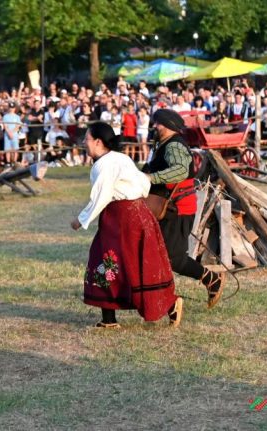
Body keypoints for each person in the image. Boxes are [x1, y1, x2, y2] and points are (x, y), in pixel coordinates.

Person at [71, 122, 182, 328]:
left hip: (123, 218)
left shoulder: (105, 164)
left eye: (86, 139)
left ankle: (169, 304)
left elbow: (102, 195)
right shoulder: (121, 158)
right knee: (126, 262)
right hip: (135, 214)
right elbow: (143, 182)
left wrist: (81, 219)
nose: (84, 143)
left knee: (112, 261)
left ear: (98, 142)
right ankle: (110, 319)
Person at [143, 109, 225, 309]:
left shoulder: (174, 145)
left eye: (158, 123)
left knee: (173, 258)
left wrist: (152, 178)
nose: (155, 126)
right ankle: (161, 298)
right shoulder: (164, 144)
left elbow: (180, 170)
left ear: (169, 125)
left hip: (177, 209)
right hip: (166, 208)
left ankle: (212, 279)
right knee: (157, 255)